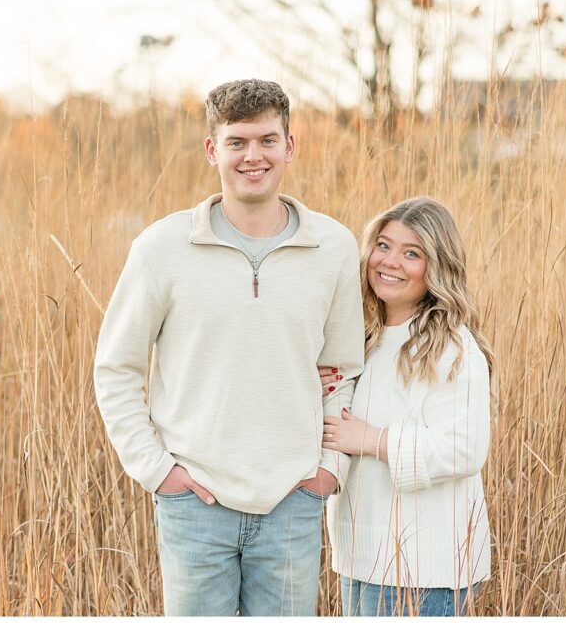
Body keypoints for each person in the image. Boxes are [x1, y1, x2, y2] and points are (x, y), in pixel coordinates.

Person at [93, 79, 365, 616]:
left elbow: (339, 369)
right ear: (212, 149)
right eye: (237, 141)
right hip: (195, 506)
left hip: (293, 502)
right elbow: (116, 369)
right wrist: (158, 472)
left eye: (267, 140)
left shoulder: (332, 247)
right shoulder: (161, 248)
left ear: (290, 146)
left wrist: (329, 468)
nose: (253, 156)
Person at [319, 197, 495, 616]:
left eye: (411, 253)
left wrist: (373, 440)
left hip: (423, 569)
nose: (390, 261)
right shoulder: (364, 339)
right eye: (383, 245)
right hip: (360, 556)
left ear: (437, 266)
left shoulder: (451, 346)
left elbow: (465, 448)